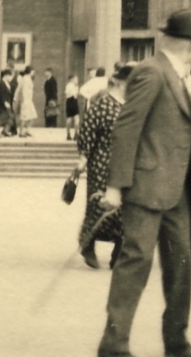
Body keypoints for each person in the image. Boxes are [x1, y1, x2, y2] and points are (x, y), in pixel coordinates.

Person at [97, 9, 191, 357]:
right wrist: (115, 186)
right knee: (135, 263)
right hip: (147, 189)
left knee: (180, 269)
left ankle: (177, 342)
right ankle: (113, 345)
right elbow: (126, 127)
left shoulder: (175, 75)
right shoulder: (152, 70)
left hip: (176, 192)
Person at [77, 64, 133, 270]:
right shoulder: (102, 106)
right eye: (130, 83)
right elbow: (87, 131)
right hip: (101, 163)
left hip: (126, 164)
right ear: (118, 82)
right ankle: (88, 245)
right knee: (98, 206)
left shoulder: (132, 106)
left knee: (124, 209)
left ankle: (119, 251)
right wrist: (83, 158)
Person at [14, 66, 37, 138]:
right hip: (26, 100)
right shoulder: (25, 79)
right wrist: (18, 98)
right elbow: (20, 89)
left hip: (29, 100)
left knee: (32, 115)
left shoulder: (28, 79)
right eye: (33, 71)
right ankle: (21, 132)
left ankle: (27, 130)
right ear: (30, 71)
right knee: (24, 116)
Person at [0, 69, 15, 138]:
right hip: (1, 104)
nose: (10, 78)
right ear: (6, 75)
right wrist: (4, 102)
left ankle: (5, 131)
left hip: (7, 104)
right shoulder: (1, 83)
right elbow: (1, 94)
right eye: (10, 76)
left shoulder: (7, 83)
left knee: (10, 117)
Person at [64, 74, 80, 141]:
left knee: (69, 118)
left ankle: (68, 134)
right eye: (76, 79)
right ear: (72, 79)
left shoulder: (67, 85)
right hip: (73, 101)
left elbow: (66, 93)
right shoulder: (73, 86)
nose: (77, 80)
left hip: (68, 101)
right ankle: (76, 133)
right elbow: (75, 94)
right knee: (76, 118)